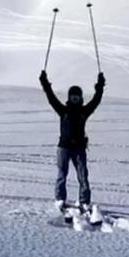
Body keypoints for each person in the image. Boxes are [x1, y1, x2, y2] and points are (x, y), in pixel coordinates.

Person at [39, 69, 105, 208]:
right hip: (64, 147)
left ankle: (84, 201)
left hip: (79, 148)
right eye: (73, 97)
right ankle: (60, 199)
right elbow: (51, 97)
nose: (75, 100)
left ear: (81, 98)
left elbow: (96, 100)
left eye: (77, 97)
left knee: (83, 176)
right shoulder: (63, 111)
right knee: (62, 174)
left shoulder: (84, 111)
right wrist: (45, 83)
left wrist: (100, 86)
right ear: (69, 97)